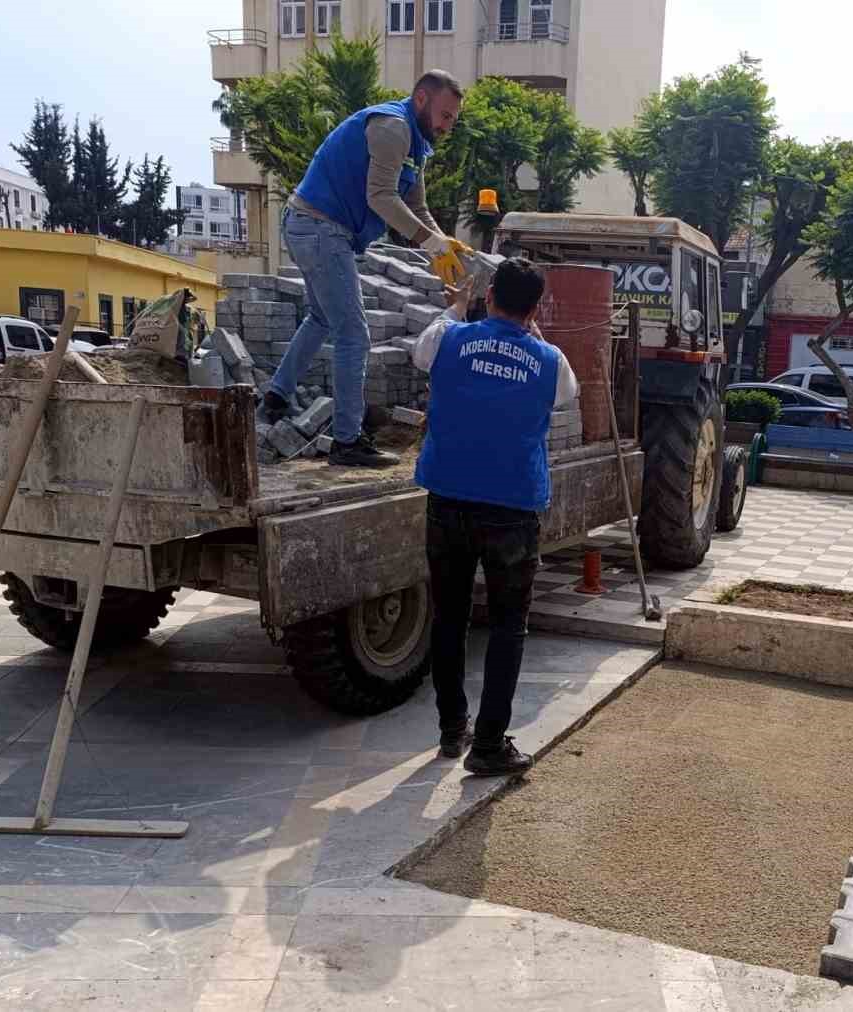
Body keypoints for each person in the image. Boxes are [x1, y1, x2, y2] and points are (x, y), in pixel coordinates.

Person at [410, 258, 579, 776]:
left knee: (450, 618)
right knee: (508, 627)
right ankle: (487, 746)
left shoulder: (447, 337)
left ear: (488, 296)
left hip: (448, 500)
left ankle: (449, 730)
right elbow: (565, 396)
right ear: (535, 308)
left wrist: (456, 306)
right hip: (511, 508)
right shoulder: (552, 360)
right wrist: (535, 337)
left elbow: (423, 353)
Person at [260, 69, 471, 467]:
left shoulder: (416, 144)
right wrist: (430, 242)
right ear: (421, 98)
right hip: (320, 227)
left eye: (453, 120)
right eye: (445, 115)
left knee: (322, 317)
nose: (447, 126)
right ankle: (347, 442)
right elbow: (381, 198)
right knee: (354, 333)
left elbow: (417, 208)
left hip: (312, 226)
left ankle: (276, 395)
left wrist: (443, 248)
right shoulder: (393, 128)